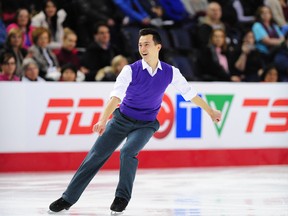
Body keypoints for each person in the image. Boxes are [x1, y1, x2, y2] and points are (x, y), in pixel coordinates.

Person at [49, 28, 222, 214]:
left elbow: (190, 94)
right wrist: (102, 120)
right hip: (121, 119)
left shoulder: (171, 72)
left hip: (146, 124)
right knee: (95, 156)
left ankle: (122, 198)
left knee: (128, 152)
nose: (142, 48)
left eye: (147, 44)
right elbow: (115, 97)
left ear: (158, 47)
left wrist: (210, 111)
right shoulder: (130, 70)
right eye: (140, 44)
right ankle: (67, 199)